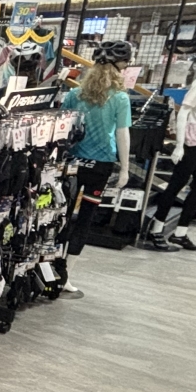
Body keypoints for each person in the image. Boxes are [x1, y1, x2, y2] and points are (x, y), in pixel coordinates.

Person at [58, 40, 134, 297]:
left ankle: (49, 268)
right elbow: (122, 134)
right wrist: (125, 169)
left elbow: (63, 128)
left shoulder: (74, 94)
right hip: (100, 165)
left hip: (72, 162)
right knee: (85, 219)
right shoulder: (120, 98)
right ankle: (65, 276)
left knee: (61, 216)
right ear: (119, 66)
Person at [146, 44, 196, 251]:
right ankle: (156, 229)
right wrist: (179, 145)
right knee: (176, 184)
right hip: (190, 141)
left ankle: (180, 232)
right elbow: (184, 112)